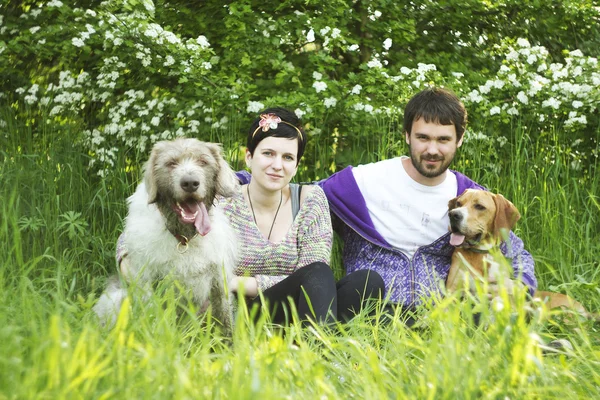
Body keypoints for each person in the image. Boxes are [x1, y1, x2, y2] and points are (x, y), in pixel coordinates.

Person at [117, 107, 385, 325]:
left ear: (296, 165)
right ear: (249, 157)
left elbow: (315, 273)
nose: (277, 165)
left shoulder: (311, 200)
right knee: (316, 277)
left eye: (288, 157)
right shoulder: (221, 198)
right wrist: (133, 270)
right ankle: (316, 350)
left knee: (367, 282)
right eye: (268, 153)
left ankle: (308, 338)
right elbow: (139, 234)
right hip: (244, 314)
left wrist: (234, 282)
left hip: (303, 303)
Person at [317, 88, 537, 319]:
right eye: (423, 138)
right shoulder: (362, 182)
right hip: (371, 312)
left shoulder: (470, 198)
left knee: (493, 319)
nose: (432, 150)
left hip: (440, 317)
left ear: (459, 140)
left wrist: (521, 285)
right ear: (407, 135)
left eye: (443, 139)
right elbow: (297, 197)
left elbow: (517, 253)